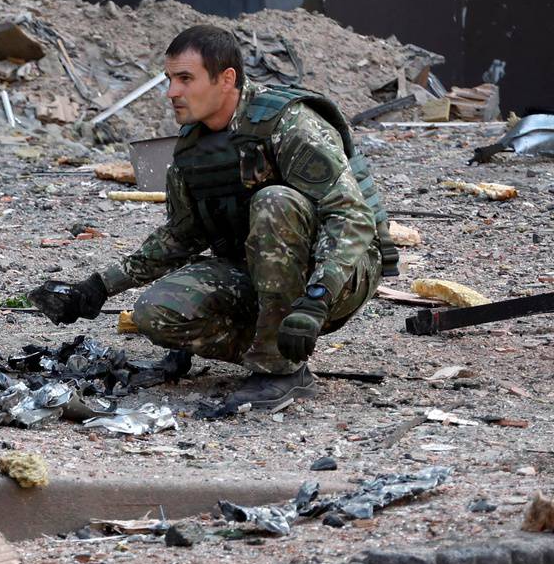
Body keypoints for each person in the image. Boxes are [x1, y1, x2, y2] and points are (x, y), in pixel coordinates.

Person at [30, 24, 388, 414]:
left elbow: (351, 216)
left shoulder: (289, 123)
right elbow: (181, 236)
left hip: (341, 274)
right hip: (259, 273)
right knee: (156, 313)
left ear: (226, 78)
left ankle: (281, 370)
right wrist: (97, 288)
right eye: (169, 79)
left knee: (274, 201)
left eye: (185, 79)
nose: (172, 93)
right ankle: (272, 344)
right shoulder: (194, 148)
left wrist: (318, 297)